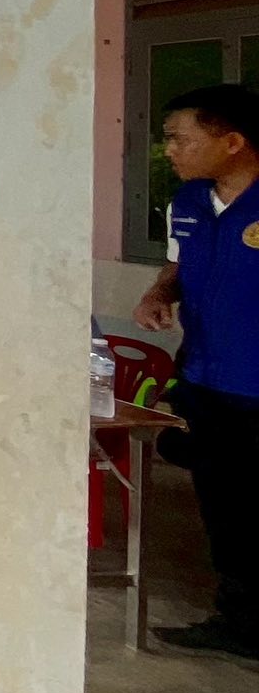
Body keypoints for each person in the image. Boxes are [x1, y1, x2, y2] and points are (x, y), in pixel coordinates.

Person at [134, 84, 259, 663]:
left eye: (179, 139)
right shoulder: (187, 201)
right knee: (224, 504)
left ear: (231, 142)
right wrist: (159, 293)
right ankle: (239, 621)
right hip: (207, 380)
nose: (169, 151)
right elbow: (178, 265)